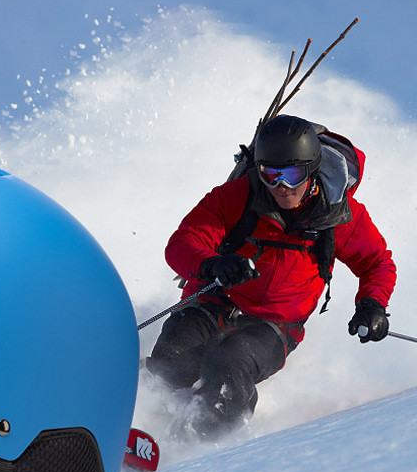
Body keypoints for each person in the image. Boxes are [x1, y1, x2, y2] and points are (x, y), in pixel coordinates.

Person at [145, 114, 397, 441]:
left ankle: (195, 445)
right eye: (271, 174)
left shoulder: (340, 213)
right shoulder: (238, 196)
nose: (281, 186)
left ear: (312, 170)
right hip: (214, 300)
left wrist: (372, 304)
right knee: (176, 353)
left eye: (292, 175)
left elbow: (376, 262)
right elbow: (182, 243)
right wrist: (214, 265)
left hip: (275, 325)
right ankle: (144, 422)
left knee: (229, 364)